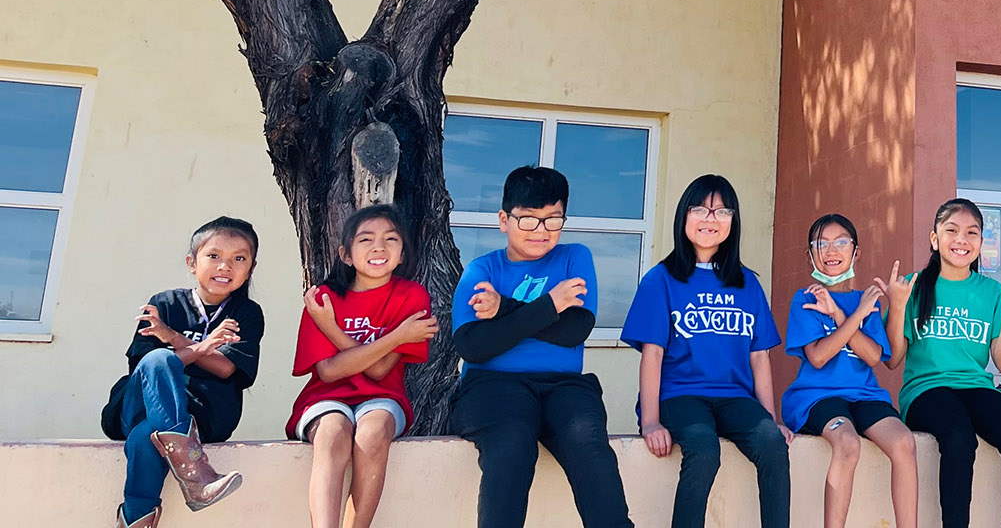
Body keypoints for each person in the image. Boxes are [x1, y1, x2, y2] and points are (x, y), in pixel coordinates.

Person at [449, 166, 633, 528]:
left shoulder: (574, 257)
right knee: (512, 443)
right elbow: (474, 346)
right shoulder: (481, 270)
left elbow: (574, 330)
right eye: (529, 220)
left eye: (553, 220)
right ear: (504, 220)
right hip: (491, 386)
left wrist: (504, 309)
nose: (542, 231)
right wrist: (552, 305)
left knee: (589, 444)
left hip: (563, 386)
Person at [627, 174, 791, 528]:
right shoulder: (661, 279)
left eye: (721, 211)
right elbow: (652, 355)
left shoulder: (747, 283)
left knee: (772, 444)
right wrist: (651, 420)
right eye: (700, 209)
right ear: (684, 216)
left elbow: (759, 356)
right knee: (703, 447)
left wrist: (771, 417)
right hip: (680, 394)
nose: (710, 219)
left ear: (733, 222)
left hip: (734, 397)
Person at [884, 198, 1001, 528]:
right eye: (951, 230)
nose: (962, 240)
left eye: (972, 233)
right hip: (926, 390)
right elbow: (894, 360)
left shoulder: (991, 291)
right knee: (958, 437)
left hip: (974, 387)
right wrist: (897, 308)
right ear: (934, 238)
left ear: (982, 243)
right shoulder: (913, 286)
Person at [101, 217, 263, 528]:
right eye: (213, 256)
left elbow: (228, 366)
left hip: (204, 416)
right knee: (160, 360)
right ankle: (196, 475)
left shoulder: (246, 312)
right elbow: (149, 368)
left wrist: (174, 337)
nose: (225, 266)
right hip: (142, 404)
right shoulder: (164, 303)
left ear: (250, 268)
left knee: (144, 438)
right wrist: (203, 347)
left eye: (238, 258)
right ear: (192, 262)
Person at [289, 205, 435, 528]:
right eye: (366, 239)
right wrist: (398, 335)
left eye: (390, 239)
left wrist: (334, 331)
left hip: (382, 395)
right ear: (346, 254)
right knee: (332, 432)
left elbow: (380, 369)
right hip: (325, 396)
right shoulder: (324, 299)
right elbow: (328, 372)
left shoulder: (412, 297)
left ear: (402, 253)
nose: (379, 247)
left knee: (372, 433)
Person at [780, 213, 919, 528]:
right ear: (809, 255)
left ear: (856, 252)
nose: (832, 251)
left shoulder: (867, 301)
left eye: (841, 242)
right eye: (821, 244)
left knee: (904, 443)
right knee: (848, 443)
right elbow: (818, 357)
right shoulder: (804, 299)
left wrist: (844, 316)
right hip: (817, 397)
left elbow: (872, 357)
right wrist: (855, 314)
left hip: (864, 395)